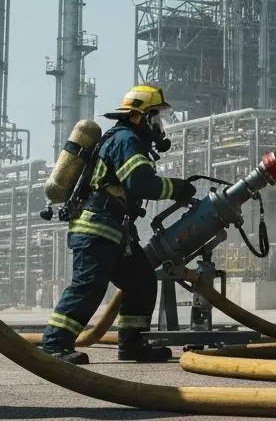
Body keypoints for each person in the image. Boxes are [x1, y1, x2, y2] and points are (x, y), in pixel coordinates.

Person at [39, 84, 194, 364]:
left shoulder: (127, 140)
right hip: (96, 228)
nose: (160, 126)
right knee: (89, 285)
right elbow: (141, 183)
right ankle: (54, 345)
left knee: (142, 281)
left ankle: (132, 345)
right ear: (141, 117)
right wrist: (179, 187)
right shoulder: (125, 140)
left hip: (115, 230)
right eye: (157, 117)